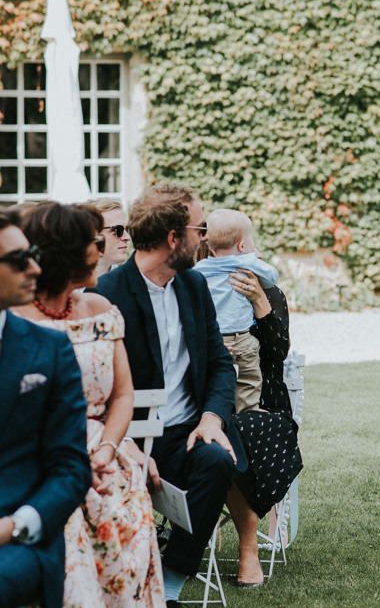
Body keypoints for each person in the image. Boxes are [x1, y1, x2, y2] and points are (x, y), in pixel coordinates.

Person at [93, 182, 252, 606]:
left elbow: (220, 363)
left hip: (188, 433)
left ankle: (169, 584)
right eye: (200, 229)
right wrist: (123, 444)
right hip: (126, 440)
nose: (205, 237)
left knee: (218, 459)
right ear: (172, 238)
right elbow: (96, 392)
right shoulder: (106, 297)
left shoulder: (193, 287)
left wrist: (212, 418)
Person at [12, 202, 164, 607]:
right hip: (42, 458)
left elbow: (122, 394)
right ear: (65, 253)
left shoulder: (100, 311)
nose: (102, 251)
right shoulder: (13, 320)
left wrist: (108, 449)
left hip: (108, 453)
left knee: (126, 523)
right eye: (94, 242)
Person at [0, 211, 91, 608]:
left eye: (33, 254)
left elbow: (71, 468)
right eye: (19, 259)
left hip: (17, 538)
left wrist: (16, 524)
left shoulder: (49, 350)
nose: (34, 267)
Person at [226, 267, 303, 585]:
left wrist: (259, 300)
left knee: (237, 434)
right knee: (207, 432)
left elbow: (278, 351)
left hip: (265, 404)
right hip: (207, 402)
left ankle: (249, 545)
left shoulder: (270, 292)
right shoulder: (195, 289)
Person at [193, 209, 279, 413]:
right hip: (242, 336)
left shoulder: (201, 268)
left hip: (215, 339)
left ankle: (214, 410)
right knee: (249, 376)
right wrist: (256, 260)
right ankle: (249, 409)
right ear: (242, 245)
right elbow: (272, 278)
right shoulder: (247, 262)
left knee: (215, 375)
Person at [90, 199, 131, 276]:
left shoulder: (126, 281)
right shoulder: (65, 283)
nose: (127, 237)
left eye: (127, 229)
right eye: (117, 230)